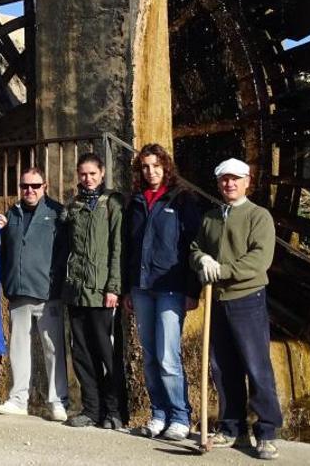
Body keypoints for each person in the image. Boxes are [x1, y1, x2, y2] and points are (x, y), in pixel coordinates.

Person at [189, 158, 281, 460]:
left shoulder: (259, 216)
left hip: (247, 298)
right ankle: (232, 428)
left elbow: (259, 260)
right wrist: (201, 260)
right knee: (222, 366)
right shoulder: (212, 217)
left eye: (235, 179)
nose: (229, 184)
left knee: (256, 366)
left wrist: (223, 270)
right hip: (216, 300)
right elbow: (195, 247)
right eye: (224, 179)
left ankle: (266, 432)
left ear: (247, 182)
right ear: (218, 183)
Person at [123, 144, 201, 440]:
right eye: (145, 166)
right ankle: (158, 413)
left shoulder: (182, 200)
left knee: (168, 356)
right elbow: (129, 249)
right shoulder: (136, 201)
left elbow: (193, 245)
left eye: (156, 165)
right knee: (150, 355)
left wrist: (192, 290)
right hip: (142, 288)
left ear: (166, 167)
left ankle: (181, 416)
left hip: (170, 288)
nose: (150, 171)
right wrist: (127, 288)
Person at [0, 167, 70, 422]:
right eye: (25, 186)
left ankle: (58, 401)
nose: (30, 191)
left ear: (44, 186)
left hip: (48, 293)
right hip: (18, 292)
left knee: (53, 349)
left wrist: (56, 282)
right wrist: (7, 281)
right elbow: (4, 252)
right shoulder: (11, 214)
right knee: (18, 348)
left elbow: (65, 252)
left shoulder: (57, 213)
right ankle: (18, 399)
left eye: (35, 186)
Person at [62, 152, 125, 429]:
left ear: (102, 174)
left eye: (92, 174)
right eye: (83, 174)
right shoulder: (73, 206)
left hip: (102, 292)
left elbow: (117, 248)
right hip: (76, 291)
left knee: (107, 354)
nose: (87, 179)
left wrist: (114, 286)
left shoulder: (112, 203)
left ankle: (115, 411)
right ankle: (91, 409)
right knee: (82, 353)